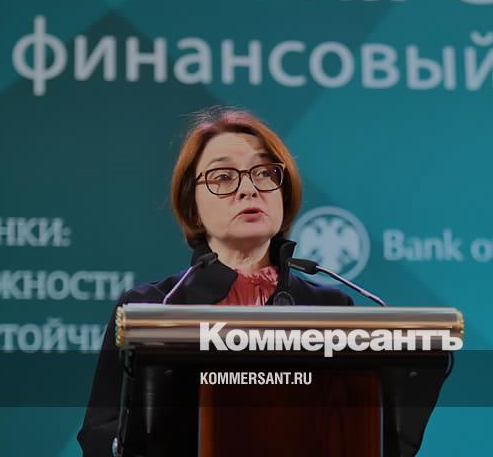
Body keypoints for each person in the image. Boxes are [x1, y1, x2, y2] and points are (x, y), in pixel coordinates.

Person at [77, 108, 356, 455]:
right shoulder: (149, 308)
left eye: (264, 172)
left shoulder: (332, 308)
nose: (249, 189)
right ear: (192, 206)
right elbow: (101, 434)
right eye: (223, 177)